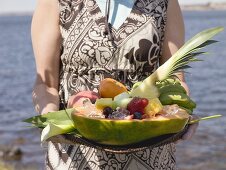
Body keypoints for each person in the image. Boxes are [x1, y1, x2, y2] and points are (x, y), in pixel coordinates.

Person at [31, 0, 198, 169]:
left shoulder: (165, 3)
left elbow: (176, 80)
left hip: (149, 153)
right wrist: (49, 116)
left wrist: (183, 112)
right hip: (75, 152)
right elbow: (45, 84)